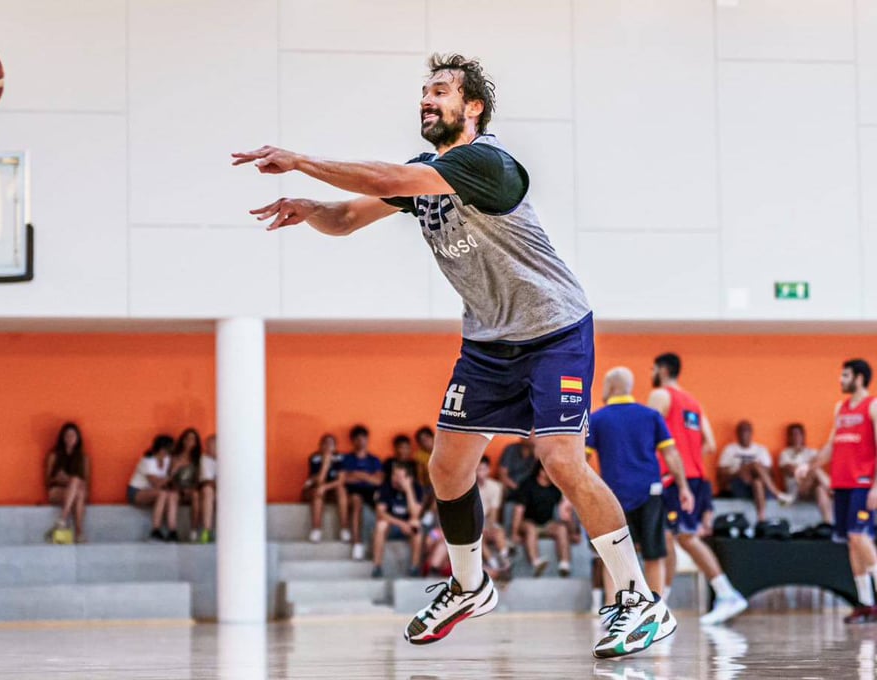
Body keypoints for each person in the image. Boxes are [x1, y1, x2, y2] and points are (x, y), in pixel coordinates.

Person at [235, 52, 671, 658]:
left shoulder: (487, 163)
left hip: (553, 331)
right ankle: (469, 586)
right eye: (424, 91)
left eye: (440, 90)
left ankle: (640, 599)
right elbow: (348, 218)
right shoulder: (425, 176)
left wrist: (302, 160)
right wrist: (312, 211)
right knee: (446, 468)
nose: (426, 98)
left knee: (560, 459)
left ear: (473, 108)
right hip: (488, 343)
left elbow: (383, 181)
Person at [648, 353, 748, 625]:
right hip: (695, 477)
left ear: (663, 370)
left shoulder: (661, 395)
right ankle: (661, 604)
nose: (652, 373)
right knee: (671, 539)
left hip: (673, 478)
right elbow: (710, 444)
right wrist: (688, 458)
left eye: (653, 369)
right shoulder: (694, 403)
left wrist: (669, 464)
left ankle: (727, 594)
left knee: (684, 538)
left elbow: (647, 434)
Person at [586, 367, 694, 604]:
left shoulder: (597, 418)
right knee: (654, 555)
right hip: (650, 493)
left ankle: (614, 609)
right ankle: (655, 608)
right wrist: (683, 487)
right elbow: (671, 454)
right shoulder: (651, 416)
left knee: (614, 555)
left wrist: (572, 496)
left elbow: (581, 461)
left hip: (613, 497)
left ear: (610, 387)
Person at [797, 359, 877, 624]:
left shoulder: (873, 406)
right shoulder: (840, 408)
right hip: (842, 484)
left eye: (845, 375)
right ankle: (866, 604)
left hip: (863, 484)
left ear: (859, 378)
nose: (840, 380)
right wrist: (809, 465)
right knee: (852, 543)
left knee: (859, 536)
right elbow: (831, 446)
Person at [718, 420, 793, 518]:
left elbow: (770, 474)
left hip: (760, 487)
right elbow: (721, 475)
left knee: (757, 481)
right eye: (742, 430)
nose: (744, 433)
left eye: (747, 430)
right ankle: (777, 493)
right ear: (737, 433)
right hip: (739, 485)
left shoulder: (761, 450)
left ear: (751, 433)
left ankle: (761, 518)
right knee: (753, 465)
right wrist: (740, 472)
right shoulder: (730, 450)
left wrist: (753, 472)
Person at [510, 463, 572, 577]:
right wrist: (514, 533)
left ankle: (564, 564)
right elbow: (519, 510)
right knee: (531, 528)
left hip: (547, 524)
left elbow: (565, 511)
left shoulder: (555, 487)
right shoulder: (527, 485)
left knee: (562, 529)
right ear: (541, 471)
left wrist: (573, 531)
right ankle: (536, 563)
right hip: (528, 522)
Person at [371, 462, 424, 578]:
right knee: (381, 525)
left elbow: (415, 514)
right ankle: (377, 567)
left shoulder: (416, 488)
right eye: (394, 475)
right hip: (392, 526)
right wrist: (401, 524)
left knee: (416, 524)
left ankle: (414, 568)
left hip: (408, 527)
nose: (395, 479)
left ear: (408, 478)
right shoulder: (386, 487)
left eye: (399, 476)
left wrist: (408, 490)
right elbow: (380, 514)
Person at [341, 425, 384, 561]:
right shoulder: (347, 458)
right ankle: (357, 543)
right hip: (354, 490)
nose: (361, 441)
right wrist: (368, 477)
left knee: (382, 506)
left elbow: (378, 481)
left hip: (371, 491)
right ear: (353, 441)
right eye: (357, 439)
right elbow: (345, 479)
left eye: (363, 438)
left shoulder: (374, 460)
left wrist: (359, 474)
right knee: (356, 503)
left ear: (367, 439)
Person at [128, 435, 178, 542]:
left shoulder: (167, 460)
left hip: (154, 492)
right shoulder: (147, 461)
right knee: (162, 493)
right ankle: (155, 530)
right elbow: (157, 484)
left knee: (173, 495)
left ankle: (173, 531)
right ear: (160, 448)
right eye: (167, 449)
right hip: (137, 492)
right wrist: (173, 474)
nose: (168, 452)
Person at [45, 422, 89, 543]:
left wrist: (69, 480)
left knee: (78, 487)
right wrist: (58, 479)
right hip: (57, 491)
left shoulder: (83, 458)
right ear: (63, 438)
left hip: (77, 492)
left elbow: (85, 484)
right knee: (77, 487)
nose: (70, 438)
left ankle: (62, 520)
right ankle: (78, 533)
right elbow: (48, 481)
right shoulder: (54, 455)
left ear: (78, 438)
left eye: (73, 435)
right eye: (67, 435)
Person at [779, 423, 832, 523]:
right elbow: (791, 471)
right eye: (793, 434)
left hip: (812, 489)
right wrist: (807, 468)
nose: (796, 437)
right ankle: (832, 489)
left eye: (799, 434)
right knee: (814, 470)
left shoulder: (812, 452)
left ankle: (827, 523)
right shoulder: (785, 453)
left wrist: (806, 468)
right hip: (796, 491)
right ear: (789, 437)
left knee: (820, 489)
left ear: (803, 436)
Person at [303, 434, 348, 543]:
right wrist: (325, 464)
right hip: (315, 490)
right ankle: (316, 529)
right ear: (320, 446)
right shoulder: (315, 458)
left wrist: (325, 487)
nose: (328, 446)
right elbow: (318, 481)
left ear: (335, 447)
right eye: (325, 443)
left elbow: (341, 480)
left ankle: (344, 529)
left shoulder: (339, 458)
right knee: (318, 493)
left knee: (341, 490)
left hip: (330, 490)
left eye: (331, 444)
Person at [475, 456, 510, 577]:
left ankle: (505, 561)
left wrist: (490, 527)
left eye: (483, 469)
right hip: (473, 524)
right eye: (478, 469)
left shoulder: (495, 487)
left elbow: (494, 512)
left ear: (488, 470)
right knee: (477, 538)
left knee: (498, 532)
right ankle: (494, 565)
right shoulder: (469, 488)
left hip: (488, 521)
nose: (481, 473)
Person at [498, 433, 537, 532]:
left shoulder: (535, 454)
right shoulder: (511, 450)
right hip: (511, 486)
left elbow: (540, 474)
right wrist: (516, 487)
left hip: (527, 489)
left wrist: (536, 450)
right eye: (531, 434)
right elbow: (502, 474)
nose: (534, 437)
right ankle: (502, 524)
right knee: (501, 489)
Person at [170, 428, 204, 543]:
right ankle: (173, 531)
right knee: (173, 495)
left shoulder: (197, 460)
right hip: (176, 489)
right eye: (187, 438)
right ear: (183, 440)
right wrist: (179, 488)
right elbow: (169, 477)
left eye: (193, 439)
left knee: (196, 495)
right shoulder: (174, 457)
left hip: (190, 490)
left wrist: (191, 489)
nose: (190, 441)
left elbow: (198, 480)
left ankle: (193, 531)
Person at [196, 434, 217, 544]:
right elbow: (207, 481)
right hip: (209, 490)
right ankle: (207, 530)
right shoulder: (204, 459)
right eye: (208, 445)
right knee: (208, 491)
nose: (209, 448)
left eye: (213, 445)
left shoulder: (229, 459)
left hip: (223, 492)